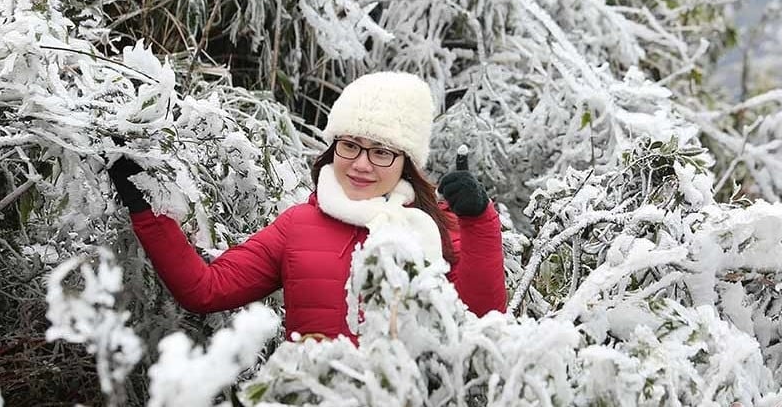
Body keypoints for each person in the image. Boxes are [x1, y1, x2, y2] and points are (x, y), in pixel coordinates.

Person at [109, 71, 506, 342]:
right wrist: (147, 206)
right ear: (334, 147)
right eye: (350, 145)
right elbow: (205, 289)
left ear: (406, 162)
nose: (362, 163)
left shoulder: (433, 229)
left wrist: (479, 222)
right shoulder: (298, 226)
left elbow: (480, 322)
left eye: (382, 151)